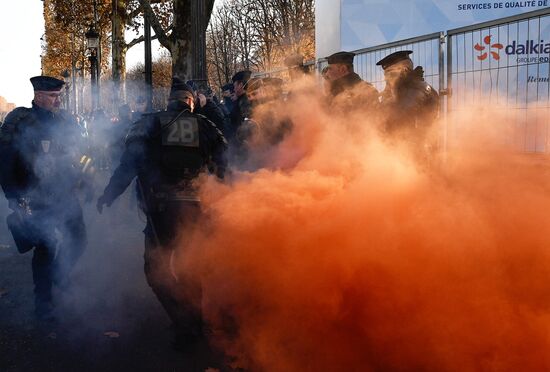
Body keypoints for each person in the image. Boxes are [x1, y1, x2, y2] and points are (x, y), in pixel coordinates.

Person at [96, 77, 227, 348]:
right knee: (190, 267)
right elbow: (224, 167)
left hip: (161, 211)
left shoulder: (148, 123)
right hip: (196, 210)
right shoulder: (206, 126)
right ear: (191, 101)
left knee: (156, 270)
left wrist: (109, 194)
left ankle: (183, 323)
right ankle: (195, 323)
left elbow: (128, 165)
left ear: (169, 100)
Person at [0, 76, 92, 320]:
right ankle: (43, 304)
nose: (58, 100)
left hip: (64, 193)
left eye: (59, 95)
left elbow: (80, 155)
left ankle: (58, 276)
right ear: (38, 95)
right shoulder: (18, 120)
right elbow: (5, 160)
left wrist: (86, 180)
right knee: (45, 249)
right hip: (34, 195)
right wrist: (13, 195)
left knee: (79, 238)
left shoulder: (64, 122)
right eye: (53, 96)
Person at [376, 50, 439, 144]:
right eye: (385, 75)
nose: (386, 79)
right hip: (405, 148)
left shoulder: (418, 89)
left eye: (390, 74)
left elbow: (398, 117)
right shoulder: (402, 90)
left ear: (404, 70)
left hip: (416, 152)